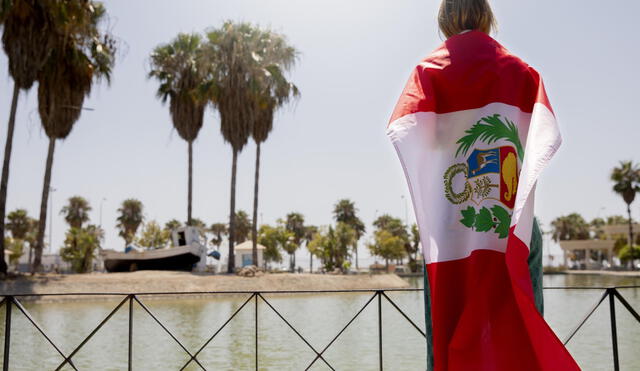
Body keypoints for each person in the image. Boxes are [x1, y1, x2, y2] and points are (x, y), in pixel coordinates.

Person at [387, 1, 579, 369]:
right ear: (488, 18)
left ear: (443, 21)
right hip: (513, 222)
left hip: (452, 228)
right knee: (519, 323)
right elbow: (545, 134)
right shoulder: (522, 72)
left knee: (447, 323)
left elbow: (406, 132)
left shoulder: (428, 73)